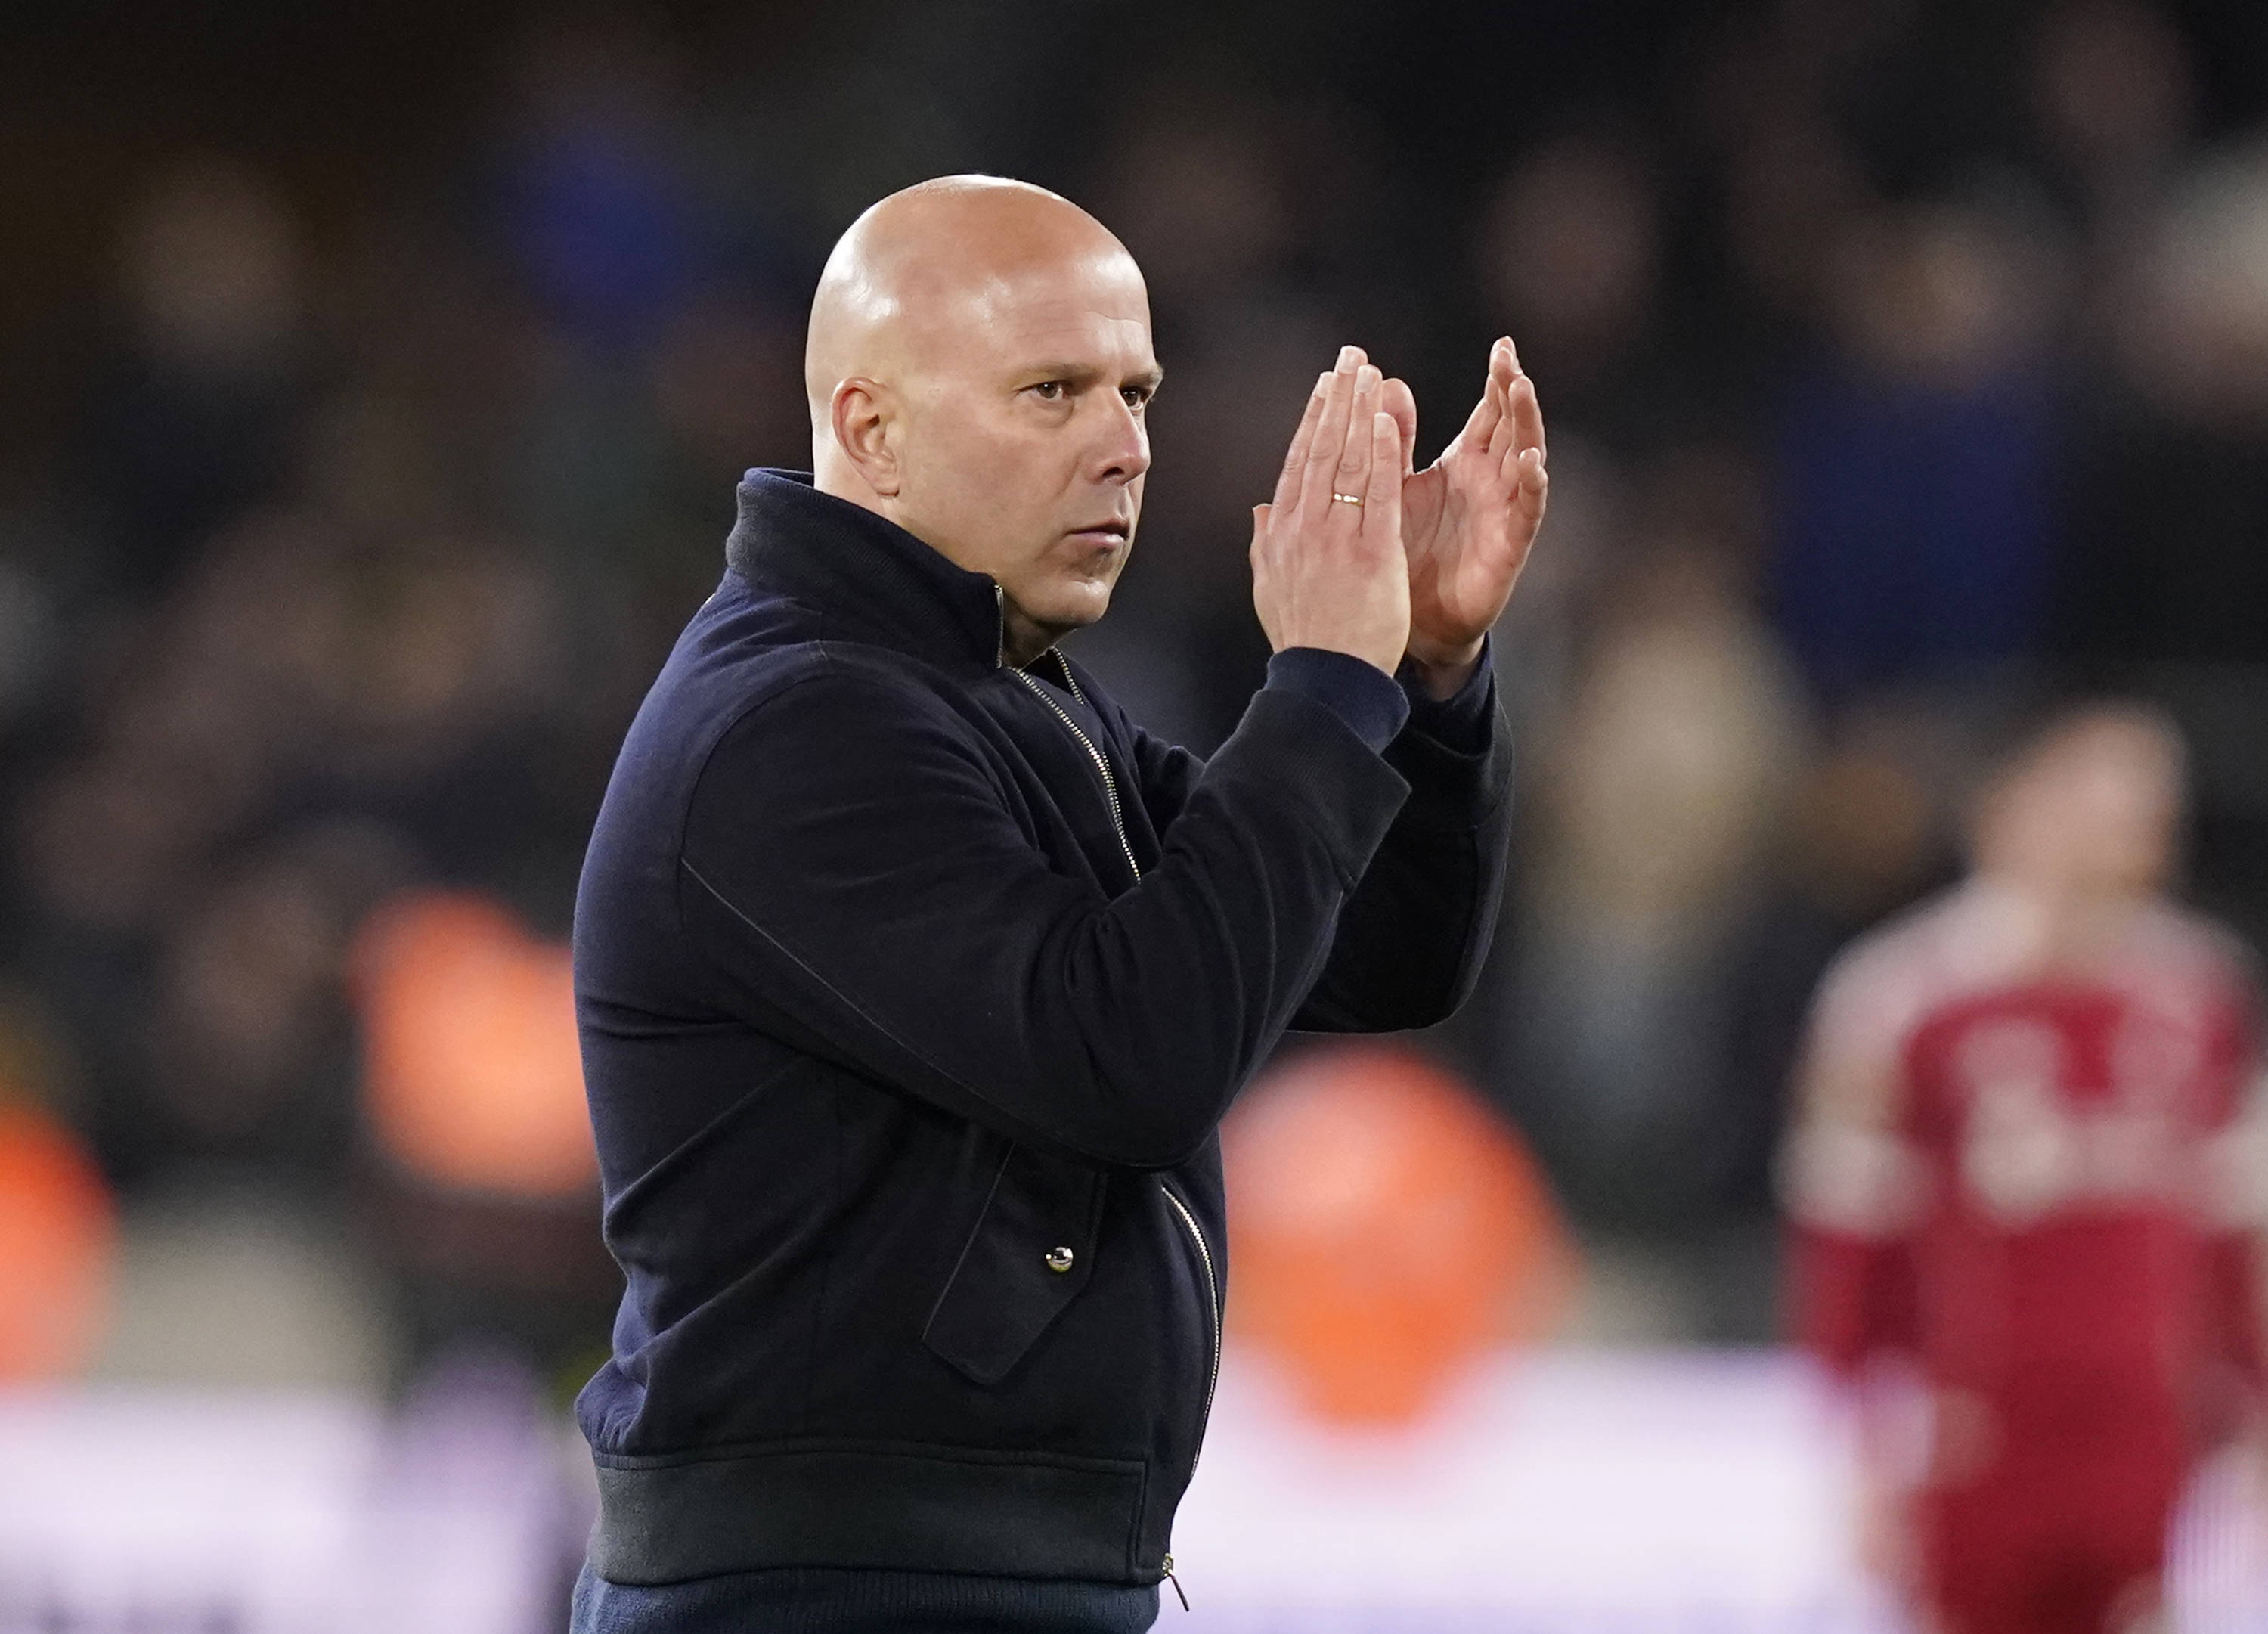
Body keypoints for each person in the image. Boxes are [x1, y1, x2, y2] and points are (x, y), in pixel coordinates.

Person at [567, 175, 1546, 1632]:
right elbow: (1128, 1062)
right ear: (869, 430)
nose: (1125, 448)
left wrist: (1421, 674)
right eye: (1052, 393)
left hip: (959, 1576)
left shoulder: (997, 697)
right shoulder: (799, 722)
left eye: (1138, 394)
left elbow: (1365, 960)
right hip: (831, 1592)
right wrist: (1322, 686)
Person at [1783, 704, 2267, 1634]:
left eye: (2152, 807)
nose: (2135, 829)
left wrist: (2252, 1410)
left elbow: (2233, 1228)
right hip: (1980, 1433)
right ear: (2017, 805)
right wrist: (1865, 1443)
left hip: (2141, 1429)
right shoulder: (1899, 997)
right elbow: (1848, 1235)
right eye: (2107, 797)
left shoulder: (2202, 992)